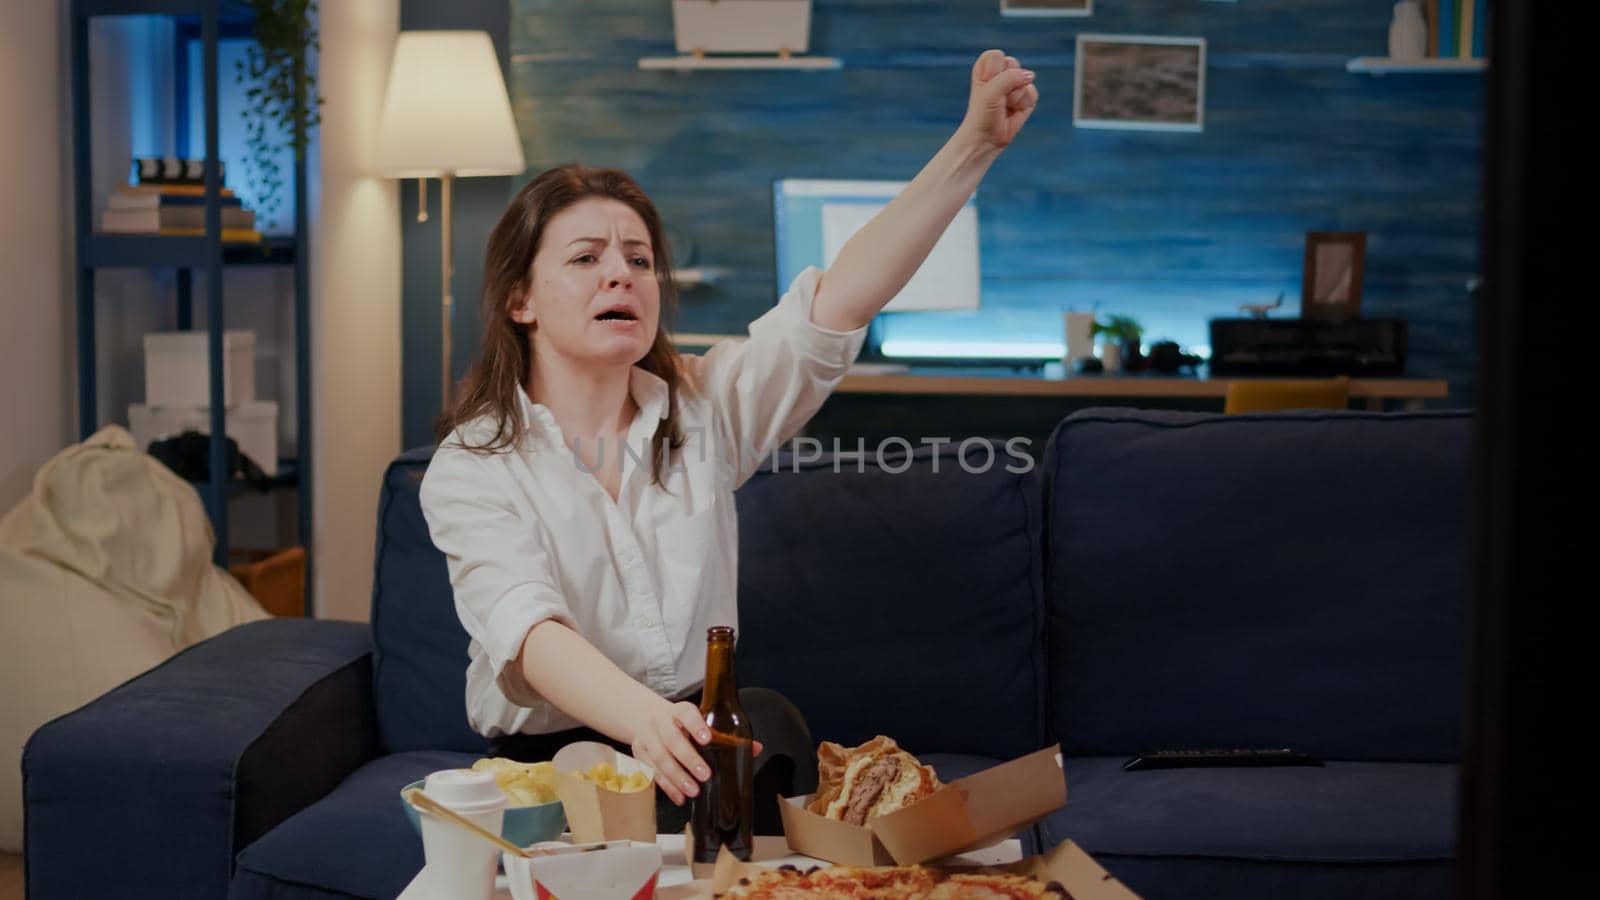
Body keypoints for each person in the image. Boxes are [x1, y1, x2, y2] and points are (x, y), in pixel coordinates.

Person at [419, 49, 1038, 832]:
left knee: (768, 720)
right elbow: (528, 631)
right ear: (519, 300)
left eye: (639, 260)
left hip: (691, 743)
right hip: (560, 757)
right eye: (586, 259)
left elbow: (839, 302)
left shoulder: (706, 408)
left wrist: (974, 143)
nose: (623, 276)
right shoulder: (473, 464)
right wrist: (642, 721)